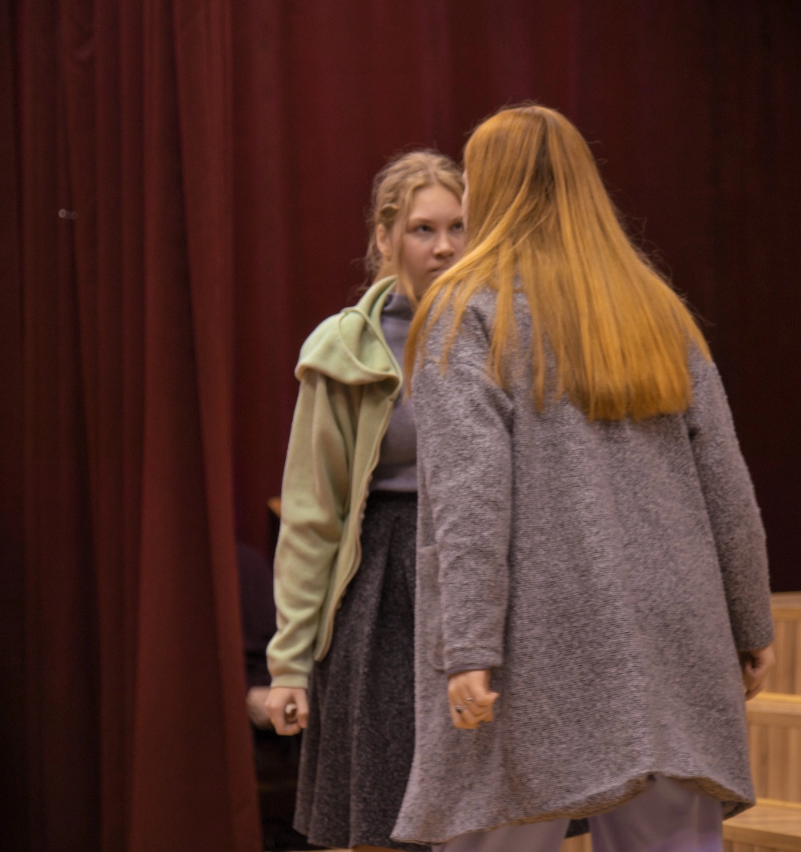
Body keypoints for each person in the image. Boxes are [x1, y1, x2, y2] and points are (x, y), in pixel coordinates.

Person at [392, 105, 776, 852]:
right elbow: (727, 482)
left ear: (488, 189)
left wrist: (469, 647)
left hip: (538, 637)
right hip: (677, 625)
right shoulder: (658, 309)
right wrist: (750, 618)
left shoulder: (467, 312)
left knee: (496, 835)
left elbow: (471, 502)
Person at [264, 150, 467, 852]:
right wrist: (289, 665)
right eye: (422, 229)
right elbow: (311, 515)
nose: (443, 246)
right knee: (382, 819)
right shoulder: (345, 348)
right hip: (382, 589)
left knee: (485, 819)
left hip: (471, 577)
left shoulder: (503, 332)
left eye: (457, 227)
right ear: (384, 237)